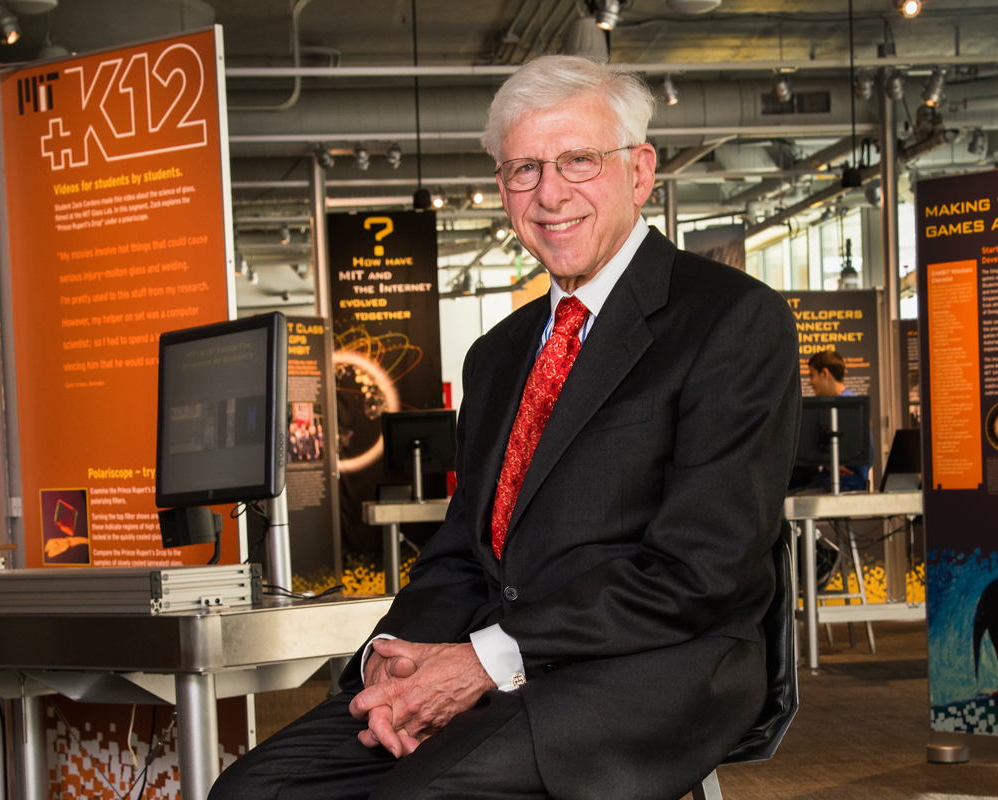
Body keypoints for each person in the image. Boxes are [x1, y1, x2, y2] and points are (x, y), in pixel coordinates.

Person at [209, 55, 800, 800]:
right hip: (496, 658)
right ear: (502, 188)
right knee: (252, 792)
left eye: (578, 160)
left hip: (652, 667)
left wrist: (483, 661)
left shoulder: (731, 320)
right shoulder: (498, 354)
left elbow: (702, 571)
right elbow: (463, 550)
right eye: (523, 169)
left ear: (640, 171)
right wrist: (395, 659)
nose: (549, 194)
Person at [807, 349, 871, 492]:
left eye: (812, 376)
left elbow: (859, 458)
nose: (810, 383)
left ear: (824, 373)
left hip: (840, 486)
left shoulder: (850, 406)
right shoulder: (847, 404)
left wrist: (833, 463)